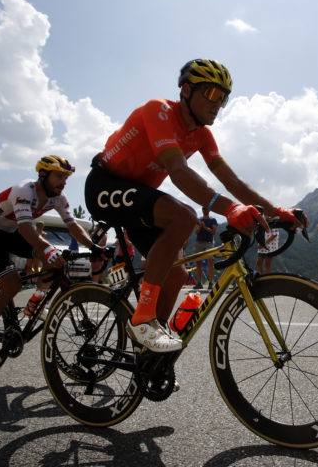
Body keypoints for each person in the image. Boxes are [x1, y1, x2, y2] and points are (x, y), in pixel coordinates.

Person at [85, 58, 305, 353]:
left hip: (138, 197)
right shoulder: (158, 111)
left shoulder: (202, 135)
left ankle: (148, 348)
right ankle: (142, 319)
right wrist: (230, 209)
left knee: (177, 273)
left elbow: (233, 182)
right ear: (187, 91)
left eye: (224, 97)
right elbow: (178, 172)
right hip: (104, 185)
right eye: (212, 94)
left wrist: (277, 211)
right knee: (184, 216)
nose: (218, 104)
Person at [0, 155, 104, 364]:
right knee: (12, 284)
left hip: (11, 232)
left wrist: (95, 247)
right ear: (43, 174)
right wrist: (47, 249)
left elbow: (73, 226)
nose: (63, 182)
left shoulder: (59, 198)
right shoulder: (24, 190)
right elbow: (26, 228)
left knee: (53, 259)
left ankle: (34, 304)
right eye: (59, 176)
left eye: (66, 178)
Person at [193, 206, 217, 289]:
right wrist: (199, 226)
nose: (204, 210)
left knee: (210, 262)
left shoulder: (213, 220)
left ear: (209, 210)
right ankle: (199, 283)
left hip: (209, 243)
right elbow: (196, 232)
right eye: (203, 208)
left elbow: (214, 232)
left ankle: (210, 282)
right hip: (199, 242)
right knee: (198, 263)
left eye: (206, 208)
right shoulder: (199, 220)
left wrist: (205, 227)